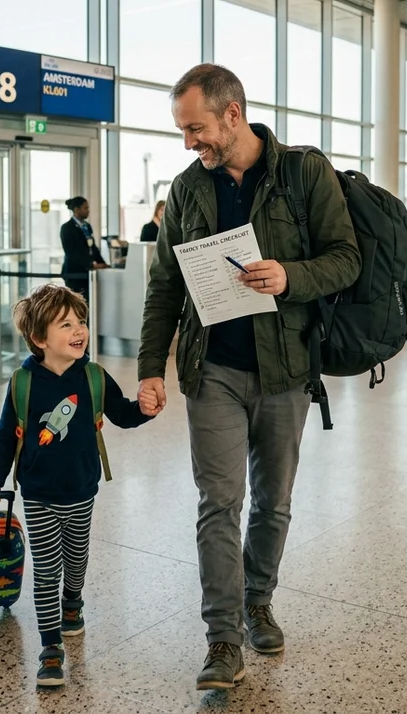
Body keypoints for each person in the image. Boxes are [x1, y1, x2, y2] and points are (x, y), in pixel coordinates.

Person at [137, 63, 360, 691]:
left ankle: (258, 598)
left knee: (274, 501)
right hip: (214, 374)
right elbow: (164, 288)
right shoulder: (188, 190)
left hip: (286, 371)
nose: (190, 143)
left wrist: (291, 277)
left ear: (232, 113)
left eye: (196, 128)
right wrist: (150, 369)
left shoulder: (302, 173)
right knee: (219, 504)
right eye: (183, 132)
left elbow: (346, 259)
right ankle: (223, 639)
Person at [0, 284, 154, 688]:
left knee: (76, 561)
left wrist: (144, 410)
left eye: (81, 322)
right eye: (66, 325)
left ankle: (72, 605)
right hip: (38, 492)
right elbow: (7, 434)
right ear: (40, 339)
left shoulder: (93, 376)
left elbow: (123, 415)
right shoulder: (23, 382)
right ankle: (50, 647)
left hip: (82, 489)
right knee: (46, 569)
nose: (79, 331)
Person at [59, 197, 108, 301]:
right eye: (85, 208)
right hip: (74, 274)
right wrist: (91, 265)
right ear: (77, 210)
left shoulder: (87, 226)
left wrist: (103, 264)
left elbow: (92, 248)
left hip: (86, 273)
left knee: (88, 303)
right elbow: (71, 253)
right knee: (77, 303)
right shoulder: (67, 228)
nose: (88, 210)